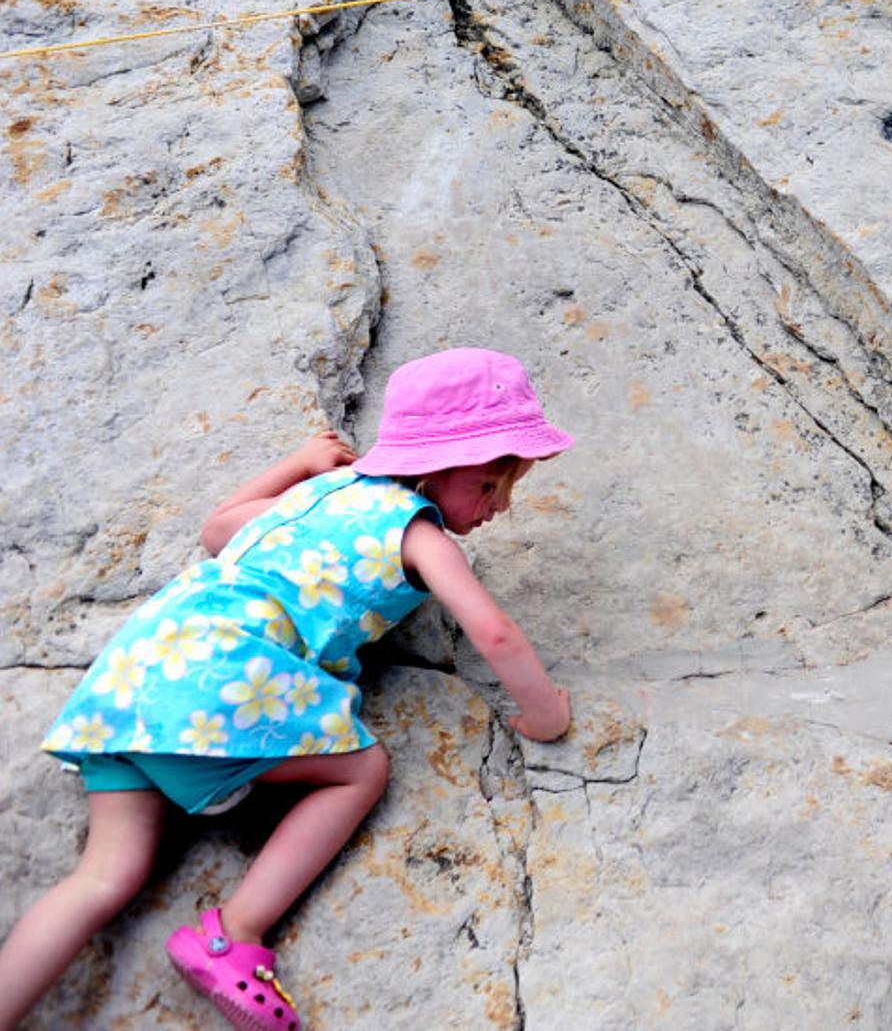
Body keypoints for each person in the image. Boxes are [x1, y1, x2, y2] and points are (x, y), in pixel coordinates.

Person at [0, 347, 575, 1031]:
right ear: (436, 465)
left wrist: (301, 462)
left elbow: (218, 528)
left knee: (102, 880)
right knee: (361, 769)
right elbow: (495, 634)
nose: (501, 506)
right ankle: (235, 931)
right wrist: (544, 714)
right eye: (488, 485)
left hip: (137, 673)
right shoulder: (416, 531)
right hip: (219, 689)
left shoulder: (316, 496)